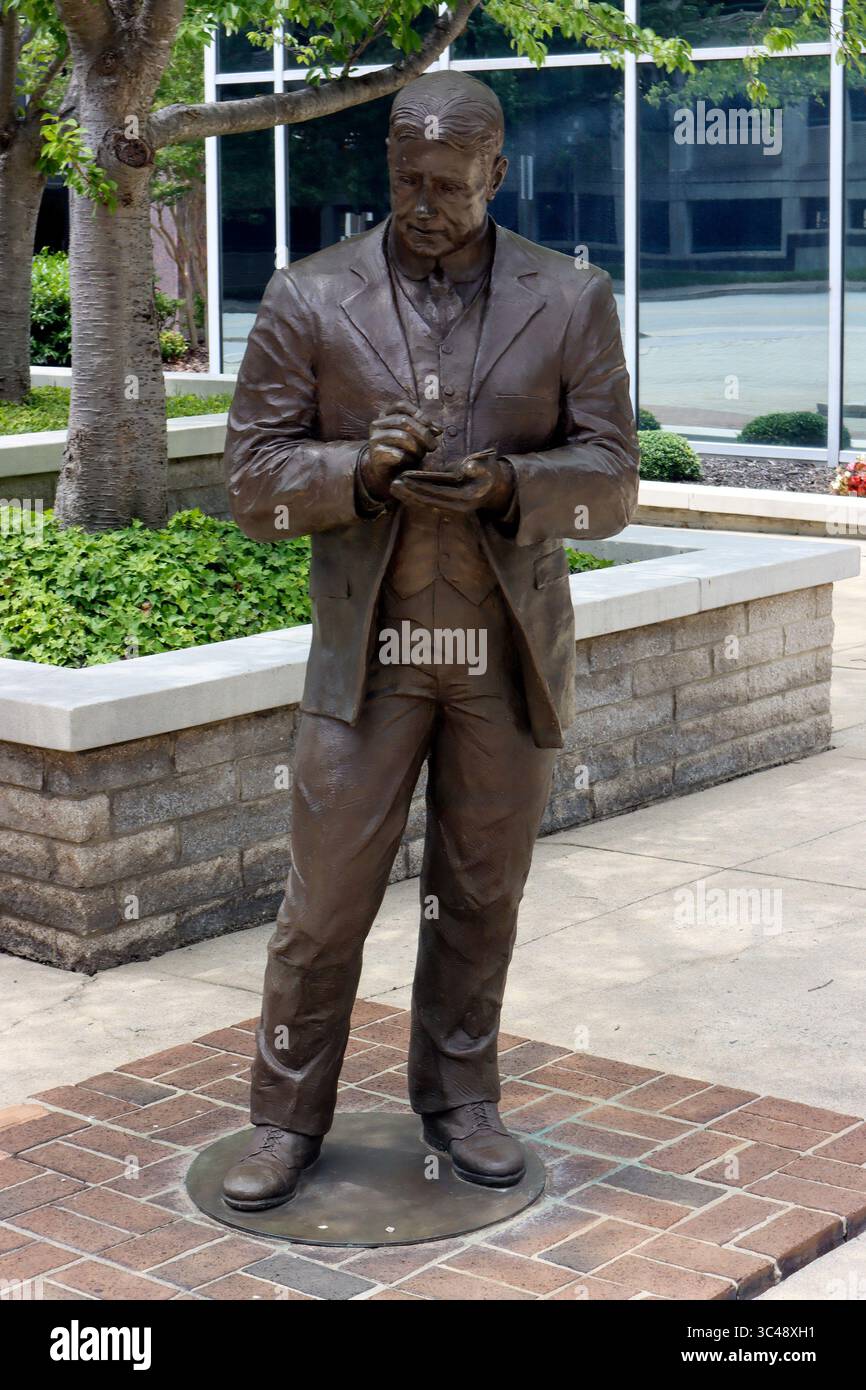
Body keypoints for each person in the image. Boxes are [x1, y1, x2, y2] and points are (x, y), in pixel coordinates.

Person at [221, 70, 638, 1210]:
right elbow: (249, 480)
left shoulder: (570, 298)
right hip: (367, 658)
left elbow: (613, 478)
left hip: (501, 659)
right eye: (408, 181)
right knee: (324, 902)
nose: (426, 204)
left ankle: (458, 1098)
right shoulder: (309, 297)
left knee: (478, 891)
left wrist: (512, 485)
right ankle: (282, 1113)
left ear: (496, 174)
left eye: (450, 185)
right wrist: (353, 470)